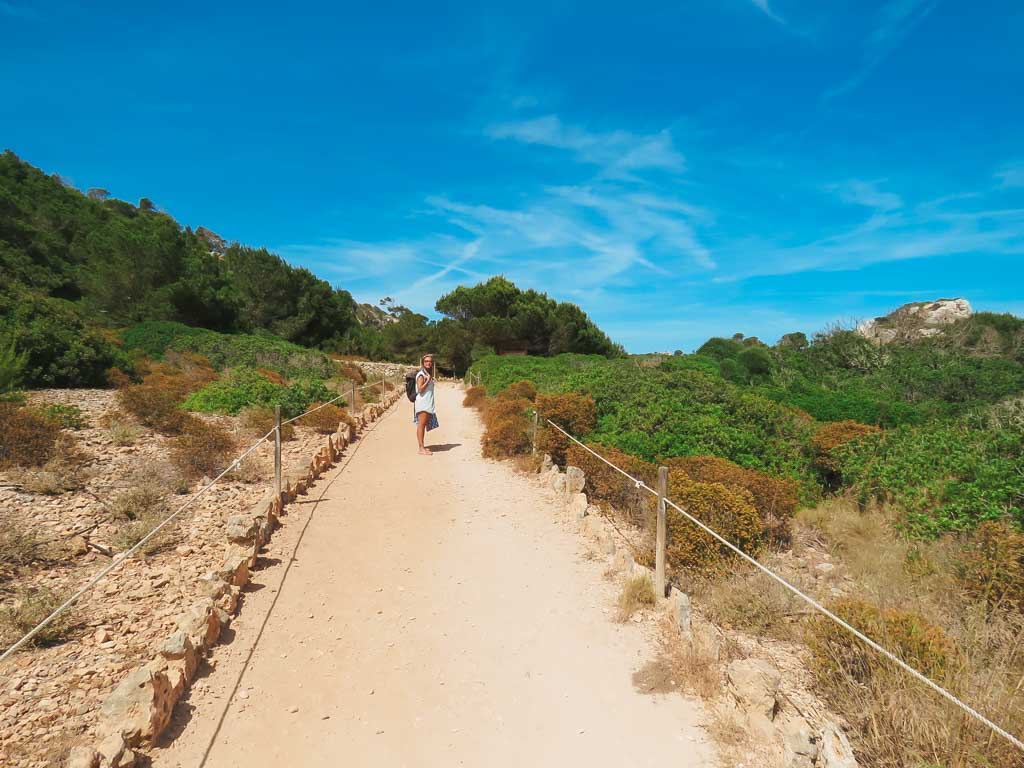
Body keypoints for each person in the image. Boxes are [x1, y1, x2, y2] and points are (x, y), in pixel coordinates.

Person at [413, 353, 439, 455]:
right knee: (421, 425)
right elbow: (420, 389)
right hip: (422, 404)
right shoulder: (421, 375)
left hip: (427, 404)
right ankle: (421, 448)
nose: (428, 363)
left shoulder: (427, 373)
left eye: (430, 361)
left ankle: (422, 446)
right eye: (426, 361)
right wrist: (428, 380)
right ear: (423, 363)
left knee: (422, 425)